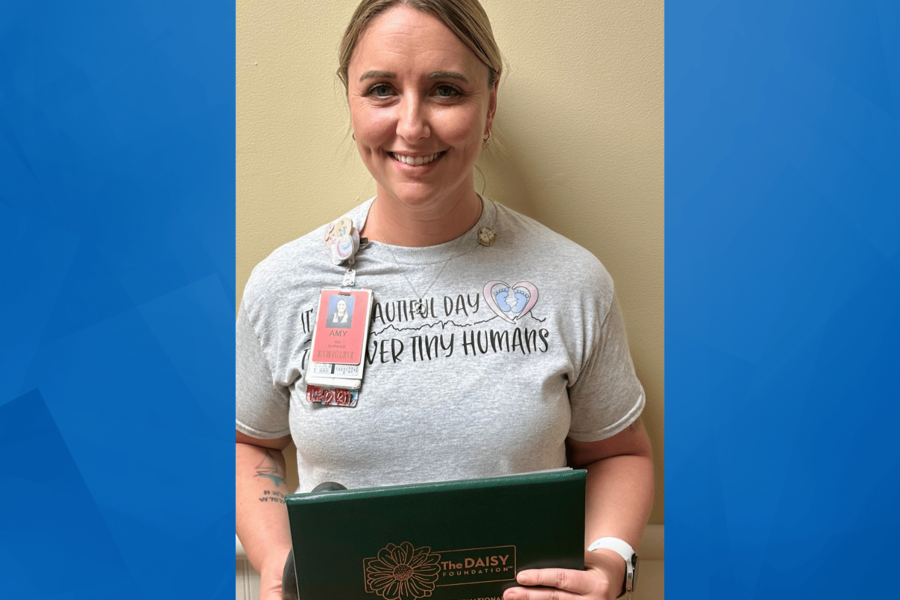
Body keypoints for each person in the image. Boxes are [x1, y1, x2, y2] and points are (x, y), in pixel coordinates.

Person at [236, 1, 654, 599]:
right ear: (350, 104)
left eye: (446, 90)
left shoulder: (571, 280)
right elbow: (247, 440)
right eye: (381, 89)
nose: (412, 126)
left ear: (489, 103)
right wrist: (281, 567)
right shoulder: (285, 284)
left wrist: (609, 564)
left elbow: (620, 453)